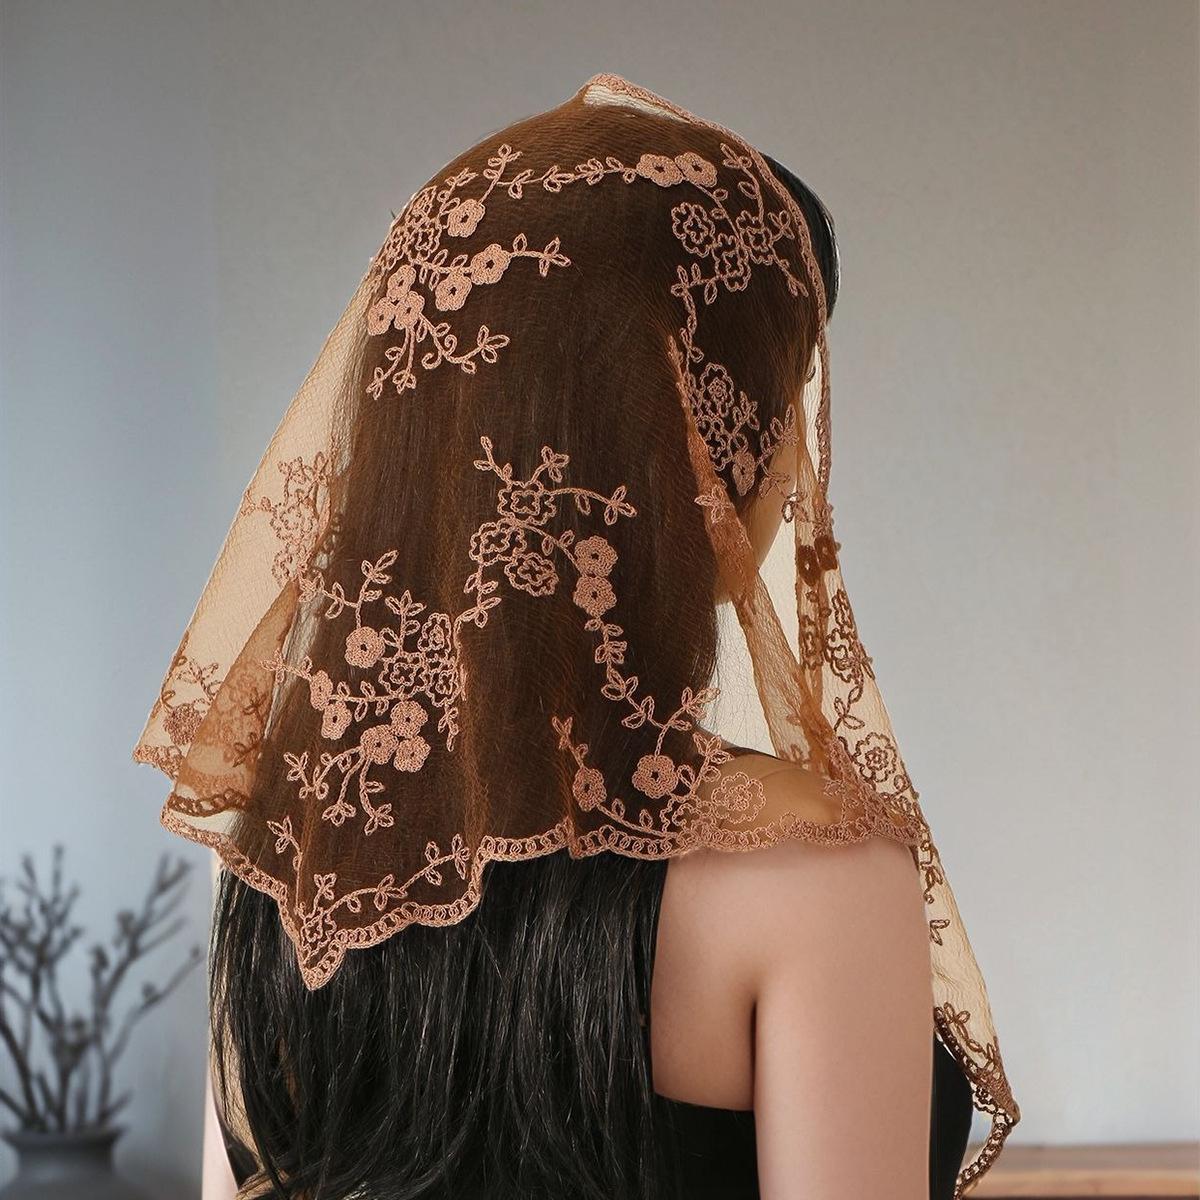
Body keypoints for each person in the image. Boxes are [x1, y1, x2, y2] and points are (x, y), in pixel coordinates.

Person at [134, 73, 1017, 1200]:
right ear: (686, 437)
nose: (790, 461)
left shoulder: (301, 848)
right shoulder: (813, 876)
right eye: (773, 403)